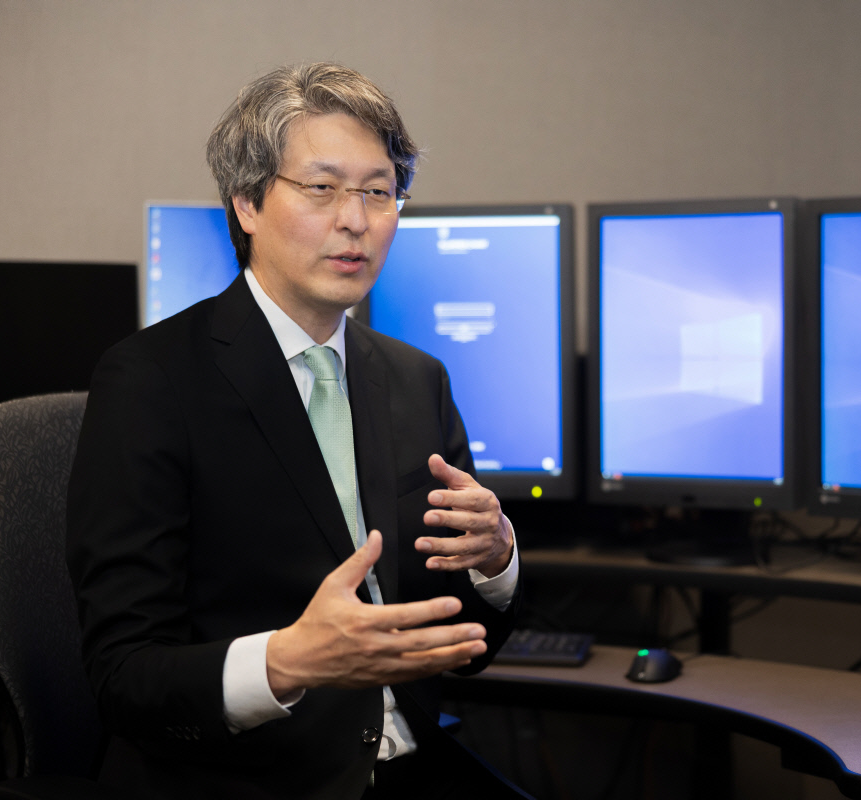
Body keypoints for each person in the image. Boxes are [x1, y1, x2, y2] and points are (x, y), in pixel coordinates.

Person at [66, 62, 522, 799]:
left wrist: (496, 561)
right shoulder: (151, 381)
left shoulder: (417, 380)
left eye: (379, 192)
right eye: (322, 188)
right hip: (247, 780)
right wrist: (286, 662)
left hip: (408, 765)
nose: (356, 220)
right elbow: (124, 678)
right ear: (247, 202)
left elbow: (464, 648)